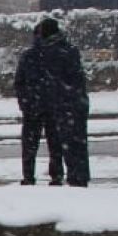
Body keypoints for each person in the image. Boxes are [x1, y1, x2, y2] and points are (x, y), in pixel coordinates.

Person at [14, 16, 91, 187]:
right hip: (57, 106)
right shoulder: (67, 52)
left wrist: (26, 101)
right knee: (57, 143)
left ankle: (30, 177)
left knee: (31, 144)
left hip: (37, 105)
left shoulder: (31, 55)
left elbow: (19, 82)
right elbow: (76, 80)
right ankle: (58, 176)